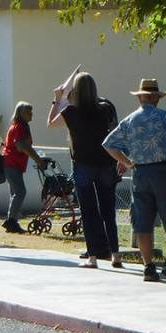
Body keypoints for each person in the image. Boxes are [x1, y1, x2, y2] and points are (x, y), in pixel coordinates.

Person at [103, 78, 166, 282]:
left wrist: (127, 162)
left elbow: (109, 144)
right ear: (157, 98)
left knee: (142, 221)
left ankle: (148, 267)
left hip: (140, 173)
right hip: (164, 172)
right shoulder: (164, 117)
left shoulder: (129, 121)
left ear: (140, 98)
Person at [49, 73, 121, 267]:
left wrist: (58, 98)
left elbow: (51, 122)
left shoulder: (71, 112)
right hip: (106, 163)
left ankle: (93, 257)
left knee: (88, 211)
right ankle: (115, 254)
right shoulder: (105, 109)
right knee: (108, 211)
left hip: (83, 164)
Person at [2, 102, 48, 234]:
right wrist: (38, 160)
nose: (31, 114)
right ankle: (11, 222)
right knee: (20, 192)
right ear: (22, 113)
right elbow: (22, 146)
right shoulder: (20, 127)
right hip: (12, 163)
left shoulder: (18, 126)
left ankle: (12, 221)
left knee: (15, 193)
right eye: (29, 111)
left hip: (12, 163)